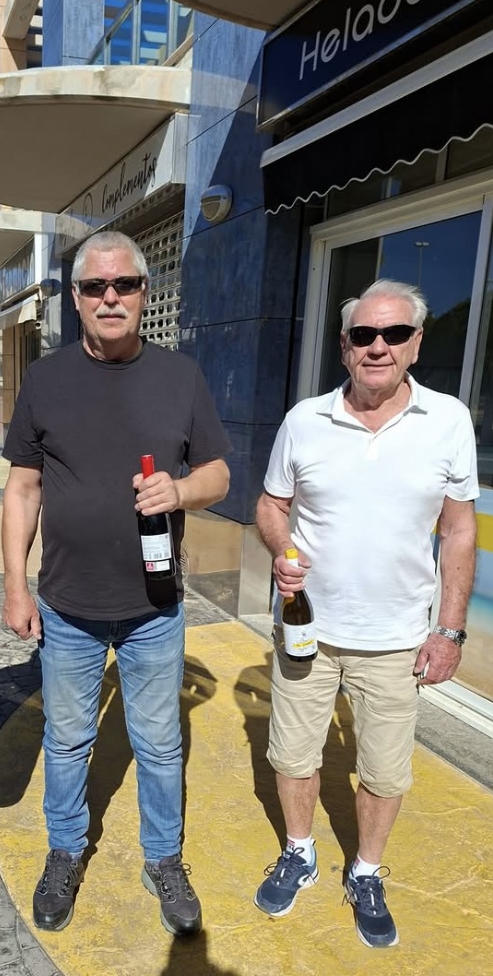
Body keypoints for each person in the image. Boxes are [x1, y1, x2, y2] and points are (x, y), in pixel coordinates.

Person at [1, 231, 230, 938]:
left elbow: (219, 474)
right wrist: (15, 585)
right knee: (69, 739)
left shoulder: (180, 377)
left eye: (124, 284)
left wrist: (180, 490)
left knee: (158, 744)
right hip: (66, 606)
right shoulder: (45, 380)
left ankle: (163, 858)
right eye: (95, 286)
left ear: (144, 292)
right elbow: (22, 489)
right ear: (75, 298)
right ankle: (66, 849)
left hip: (154, 608)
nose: (110, 297)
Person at [254, 279, 478, 949]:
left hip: (398, 638)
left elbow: (458, 531)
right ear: (344, 345)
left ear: (416, 344)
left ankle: (367, 870)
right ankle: (299, 851)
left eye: (395, 333)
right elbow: (271, 505)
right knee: (293, 753)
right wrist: (283, 549)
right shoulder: (305, 420)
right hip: (306, 627)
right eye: (364, 334)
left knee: (383, 769)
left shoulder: (448, 421)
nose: (378, 346)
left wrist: (449, 629)